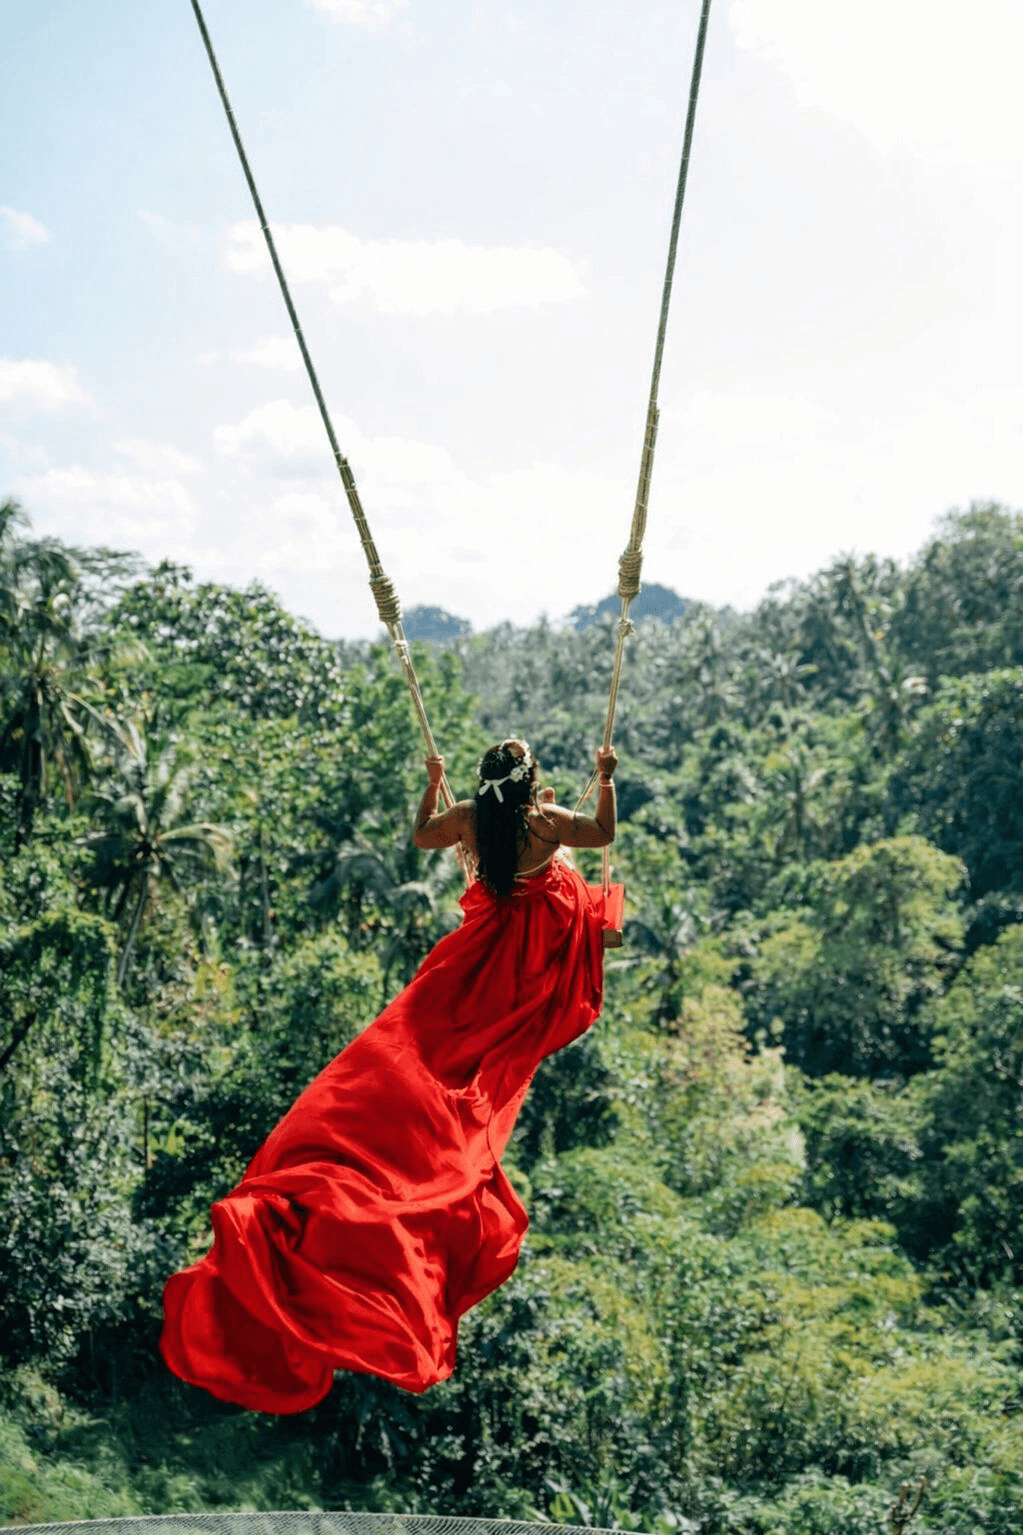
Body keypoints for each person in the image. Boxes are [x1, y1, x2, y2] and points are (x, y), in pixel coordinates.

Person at [160, 739, 618, 1414]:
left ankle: (358, 1163)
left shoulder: (468, 818)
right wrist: (605, 779)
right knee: (470, 1071)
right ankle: (422, 1154)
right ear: (529, 783)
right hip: (521, 964)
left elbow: (419, 835)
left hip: (471, 959)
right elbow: (602, 831)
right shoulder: (543, 824)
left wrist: (432, 784)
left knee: (410, 1055)